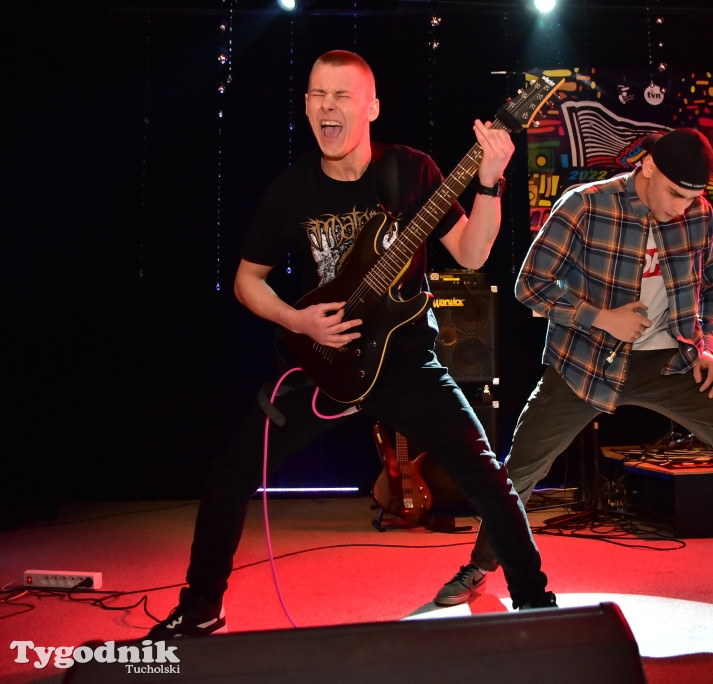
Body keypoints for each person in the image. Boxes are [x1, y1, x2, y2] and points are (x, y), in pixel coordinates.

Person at [147, 49, 555, 639]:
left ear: (371, 108)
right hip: (324, 361)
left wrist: (488, 182)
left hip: (405, 360)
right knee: (230, 474)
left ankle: (535, 601)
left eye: (341, 95)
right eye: (317, 95)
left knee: (488, 478)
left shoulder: (411, 171)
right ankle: (201, 606)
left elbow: (471, 254)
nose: (326, 106)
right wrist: (298, 320)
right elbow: (246, 282)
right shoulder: (290, 191)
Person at [433, 128, 713, 636]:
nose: (682, 207)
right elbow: (529, 285)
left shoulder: (698, 214)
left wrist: (709, 349)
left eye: (692, 197)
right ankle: (480, 566)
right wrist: (600, 317)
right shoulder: (585, 205)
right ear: (647, 166)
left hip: (671, 363)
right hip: (586, 363)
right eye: (675, 193)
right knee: (521, 467)